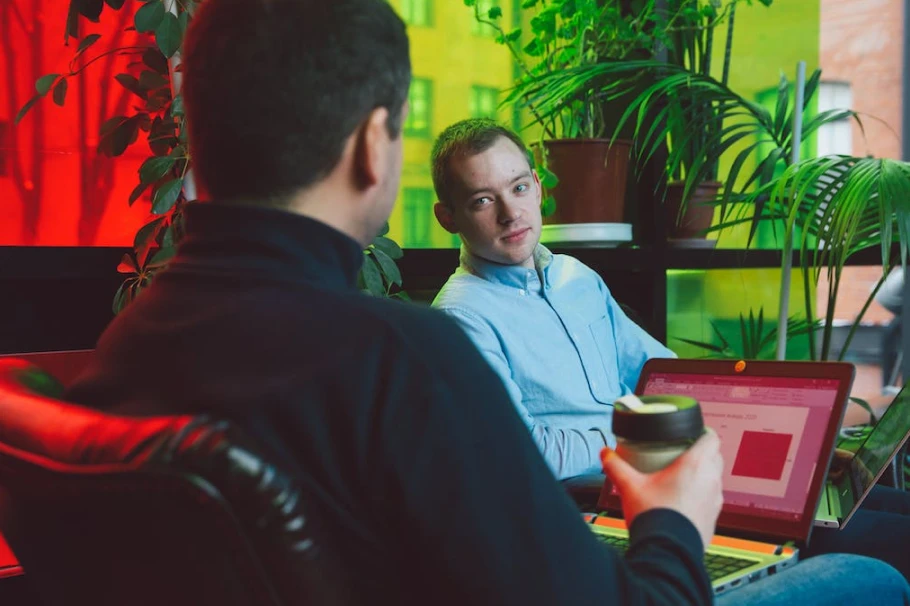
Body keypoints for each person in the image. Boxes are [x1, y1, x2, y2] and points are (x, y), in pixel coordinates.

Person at [64, 3, 909, 604]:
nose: (508, 211)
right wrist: (672, 520)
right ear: (374, 145)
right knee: (869, 574)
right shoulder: (409, 357)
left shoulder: (124, 354)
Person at [429, 117, 910, 580]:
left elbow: (663, 375)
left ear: (537, 186)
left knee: (882, 505)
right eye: (482, 200)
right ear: (448, 218)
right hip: (604, 506)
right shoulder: (460, 318)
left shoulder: (575, 277)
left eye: (518, 188)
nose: (510, 213)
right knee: (892, 542)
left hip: (666, 469)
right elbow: (527, 452)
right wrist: (647, 434)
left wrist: (795, 440)